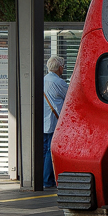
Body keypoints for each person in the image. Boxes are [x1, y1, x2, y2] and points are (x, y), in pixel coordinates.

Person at [42, 55, 69, 191]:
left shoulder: (43, 80)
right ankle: (47, 180)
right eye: (62, 66)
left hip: (43, 121)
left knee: (44, 149)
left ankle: (43, 178)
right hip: (54, 121)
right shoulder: (59, 82)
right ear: (59, 68)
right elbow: (70, 96)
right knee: (49, 151)